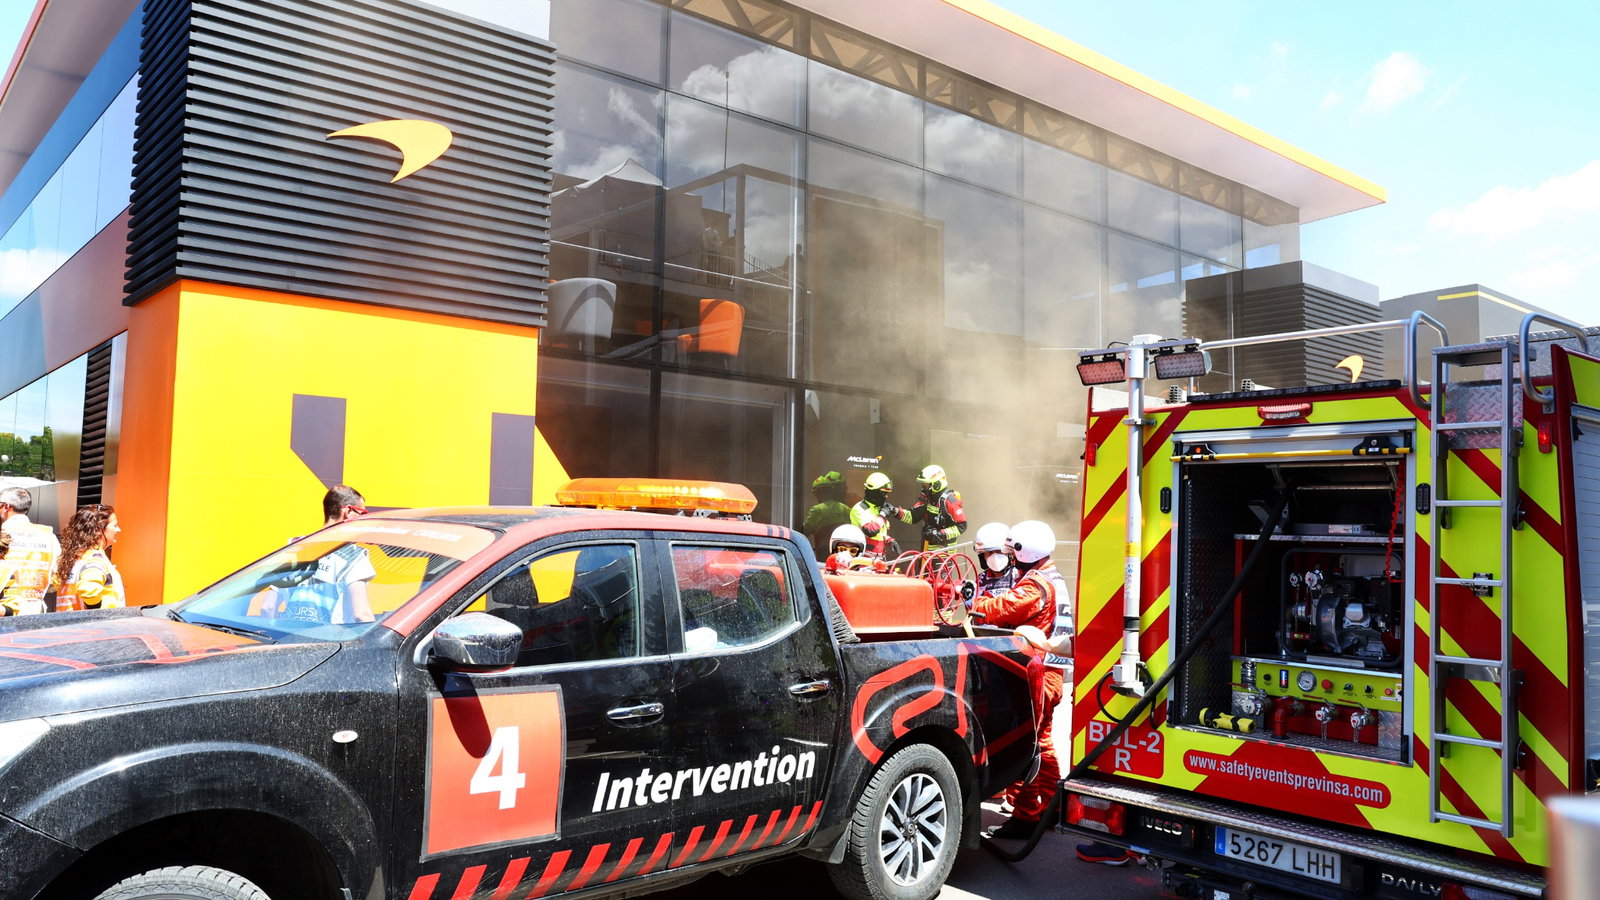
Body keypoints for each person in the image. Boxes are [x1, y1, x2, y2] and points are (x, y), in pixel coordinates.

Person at [975, 520, 1072, 840]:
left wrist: (972, 604)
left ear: (1024, 551)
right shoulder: (1049, 575)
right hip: (1051, 673)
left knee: (1022, 744)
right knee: (1041, 743)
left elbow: (1003, 609)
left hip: (1038, 675)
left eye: (1012, 553)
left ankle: (1026, 815)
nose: (1010, 559)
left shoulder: (1035, 586)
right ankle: (1056, 805)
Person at [275, 485, 376, 624]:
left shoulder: (294, 546)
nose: (363, 519)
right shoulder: (354, 555)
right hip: (331, 643)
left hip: (289, 639)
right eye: (362, 513)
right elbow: (362, 614)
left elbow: (267, 607)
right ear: (348, 511)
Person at [0, 486, 61, 615]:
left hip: (4, 610)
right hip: (35, 611)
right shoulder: (48, 536)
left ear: (6, 507)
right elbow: (57, 576)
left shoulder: (3, 534)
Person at [54, 504, 125, 612]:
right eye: (114, 525)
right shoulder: (95, 559)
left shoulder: (76, 558)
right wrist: (95, 614)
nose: (119, 530)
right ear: (98, 529)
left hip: (70, 624)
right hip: (99, 626)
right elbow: (89, 590)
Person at [850, 471, 912, 559]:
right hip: (863, 560)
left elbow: (879, 535)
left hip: (879, 559)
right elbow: (870, 531)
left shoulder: (878, 509)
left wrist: (889, 541)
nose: (886, 497)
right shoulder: (859, 508)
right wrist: (883, 515)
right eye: (884, 493)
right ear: (873, 492)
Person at [911, 464, 967, 551]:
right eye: (923, 486)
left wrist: (940, 534)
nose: (923, 489)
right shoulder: (927, 499)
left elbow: (962, 526)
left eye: (925, 486)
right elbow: (913, 516)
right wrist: (894, 511)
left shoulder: (950, 501)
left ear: (937, 484)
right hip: (927, 550)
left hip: (945, 553)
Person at [802, 470, 851, 558]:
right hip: (843, 549)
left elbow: (804, 532)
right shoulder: (846, 509)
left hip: (823, 551)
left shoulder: (817, 510)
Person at [972, 521, 1015, 596]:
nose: (995, 557)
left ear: (1009, 552)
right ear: (983, 556)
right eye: (990, 552)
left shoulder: (1018, 575)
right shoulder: (981, 579)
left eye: (999, 551)